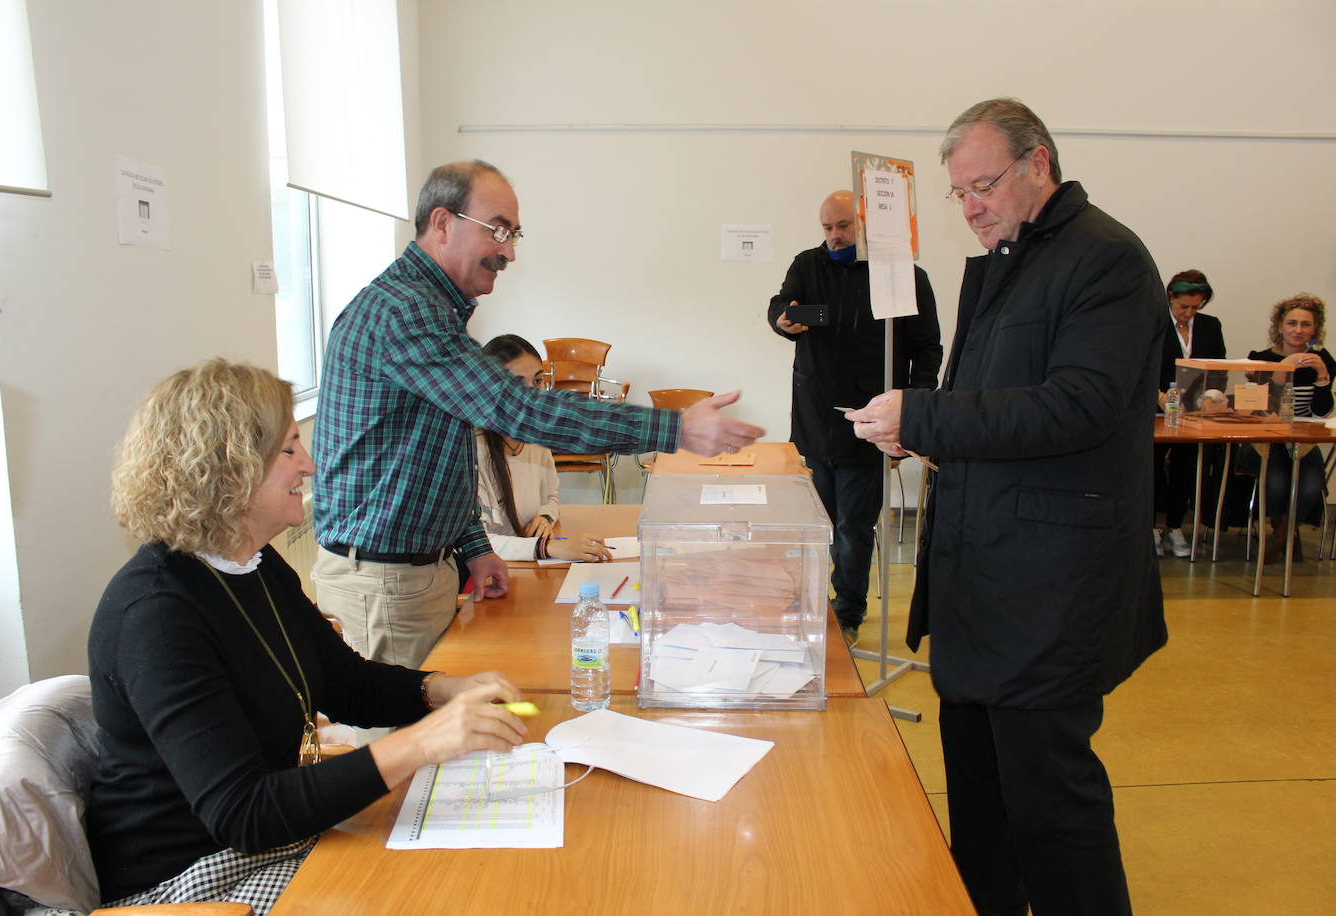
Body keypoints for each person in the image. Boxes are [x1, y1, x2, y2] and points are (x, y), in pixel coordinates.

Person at [847, 98, 1167, 916]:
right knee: (983, 802)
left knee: (1052, 808)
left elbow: (1078, 407)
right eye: (960, 194)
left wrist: (926, 415)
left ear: (1039, 165)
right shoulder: (1004, 260)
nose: (973, 207)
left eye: (984, 185)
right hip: (981, 578)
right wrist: (922, 428)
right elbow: (985, 405)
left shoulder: (1107, 260)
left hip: (1048, 588)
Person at [87, 360, 528, 914]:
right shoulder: (156, 614)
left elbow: (342, 682)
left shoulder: (253, 564)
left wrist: (444, 689)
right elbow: (243, 812)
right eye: (290, 449)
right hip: (189, 877)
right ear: (228, 466)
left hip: (264, 840)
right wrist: (420, 743)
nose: (311, 465)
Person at [311, 160, 763, 669]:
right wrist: (674, 427)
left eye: (514, 233)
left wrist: (475, 546)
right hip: (387, 580)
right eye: (498, 230)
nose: (508, 251)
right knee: (400, 739)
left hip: (416, 570)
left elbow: (435, 458)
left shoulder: (428, 310)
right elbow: (517, 409)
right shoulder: (407, 312)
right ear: (442, 223)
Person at [767, 190, 942, 644]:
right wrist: (783, 319)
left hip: (871, 424)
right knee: (812, 523)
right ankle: (809, 606)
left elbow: (927, 347)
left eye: (843, 226)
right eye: (827, 228)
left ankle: (847, 612)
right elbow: (779, 307)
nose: (835, 236)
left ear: (864, 225)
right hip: (813, 419)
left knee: (852, 527)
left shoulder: (901, 276)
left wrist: (914, 409)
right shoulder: (808, 265)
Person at [476, 334, 611, 563]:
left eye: (537, 382)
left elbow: (551, 496)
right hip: (491, 574)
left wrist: (545, 517)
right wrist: (546, 547)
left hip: (527, 568)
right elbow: (478, 544)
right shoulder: (473, 448)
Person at [1239, 293, 1334, 560]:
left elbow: (1321, 411)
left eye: (1306, 325)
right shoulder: (1259, 357)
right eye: (1292, 323)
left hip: (1301, 439)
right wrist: (1281, 368)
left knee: (1312, 483)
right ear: (1279, 326)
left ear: (1315, 329)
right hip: (1265, 437)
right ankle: (1283, 532)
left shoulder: (1322, 359)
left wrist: (1323, 376)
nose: (1298, 330)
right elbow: (1258, 407)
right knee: (1278, 481)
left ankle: (1282, 535)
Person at [1154, 269, 1227, 557]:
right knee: (1153, 467)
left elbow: (1218, 367)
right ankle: (1152, 527)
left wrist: (1211, 397)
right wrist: (1158, 397)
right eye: (1184, 306)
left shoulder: (1210, 326)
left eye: (1196, 307)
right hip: (1157, 409)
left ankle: (1175, 526)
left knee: (1186, 467)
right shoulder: (1155, 322)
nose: (1188, 313)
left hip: (1192, 414)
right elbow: (1141, 365)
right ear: (1171, 297)